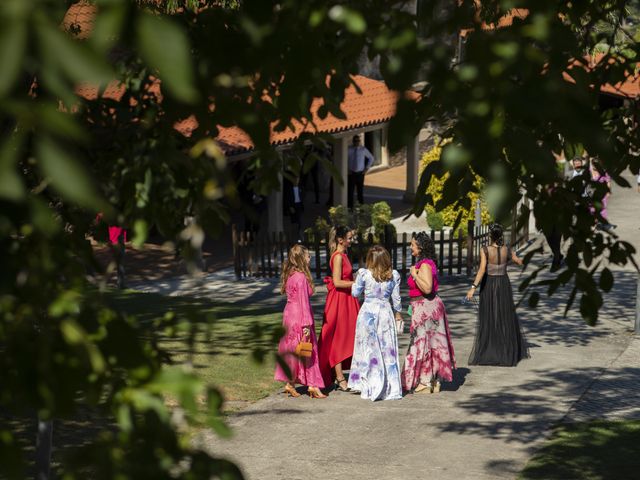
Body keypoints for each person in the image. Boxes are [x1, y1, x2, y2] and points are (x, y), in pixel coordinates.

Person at [466, 224, 529, 366]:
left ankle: (491, 349)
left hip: (489, 284)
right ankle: (505, 350)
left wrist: (473, 287)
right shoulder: (507, 248)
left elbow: (482, 270)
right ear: (500, 235)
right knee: (504, 315)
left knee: (490, 315)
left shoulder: (485, 250)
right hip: (504, 283)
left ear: (490, 235)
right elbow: (518, 261)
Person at [401, 232, 456, 394]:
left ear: (421, 247)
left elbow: (426, 288)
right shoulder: (426, 263)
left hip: (426, 308)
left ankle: (426, 382)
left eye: (413, 244)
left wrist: (414, 275)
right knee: (431, 344)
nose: (410, 247)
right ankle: (433, 381)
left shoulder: (424, 265)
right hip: (425, 307)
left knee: (423, 344)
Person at [348, 246, 403, 401]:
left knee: (367, 349)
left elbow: (355, 293)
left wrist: (355, 280)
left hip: (368, 313)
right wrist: (398, 313)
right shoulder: (394, 275)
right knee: (387, 349)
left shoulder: (364, 274)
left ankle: (368, 383)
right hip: (385, 312)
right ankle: (389, 386)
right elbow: (396, 299)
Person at [274, 244, 327, 398]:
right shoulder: (301, 277)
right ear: (301, 258)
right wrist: (306, 325)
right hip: (300, 317)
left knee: (293, 350)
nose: (310, 258)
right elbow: (303, 301)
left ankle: (290, 383)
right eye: (308, 255)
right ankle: (313, 385)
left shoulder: (290, 275)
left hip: (289, 315)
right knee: (307, 349)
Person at [318, 225, 360, 391]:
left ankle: (340, 373)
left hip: (347, 298)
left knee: (347, 334)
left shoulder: (344, 254)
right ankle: (339, 376)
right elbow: (337, 282)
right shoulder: (338, 257)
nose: (351, 241)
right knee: (339, 336)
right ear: (340, 240)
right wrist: (356, 283)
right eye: (349, 238)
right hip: (339, 299)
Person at [347, 135, 374, 209]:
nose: (357, 142)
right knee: (350, 191)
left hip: (360, 173)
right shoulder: (349, 149)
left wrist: (366, 169)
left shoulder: (363, 149)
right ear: (353, 141)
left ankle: (361, 207)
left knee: (360, 191)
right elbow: (344, 159)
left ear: (360, 141)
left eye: (358, 141)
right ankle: (350, 208)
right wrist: (347, 169)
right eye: (355, 141)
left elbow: (371, 158)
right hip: (351, 173)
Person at [590, 160, 615, 231]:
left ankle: (600, 224)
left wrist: (608, 192)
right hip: (592, 195)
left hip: (602, 195)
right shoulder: (590, 171)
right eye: (593, 164)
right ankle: (594, 224)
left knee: (601, 209)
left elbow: (608, 183)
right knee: (592, 209)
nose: (595, 166)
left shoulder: (604, 173)